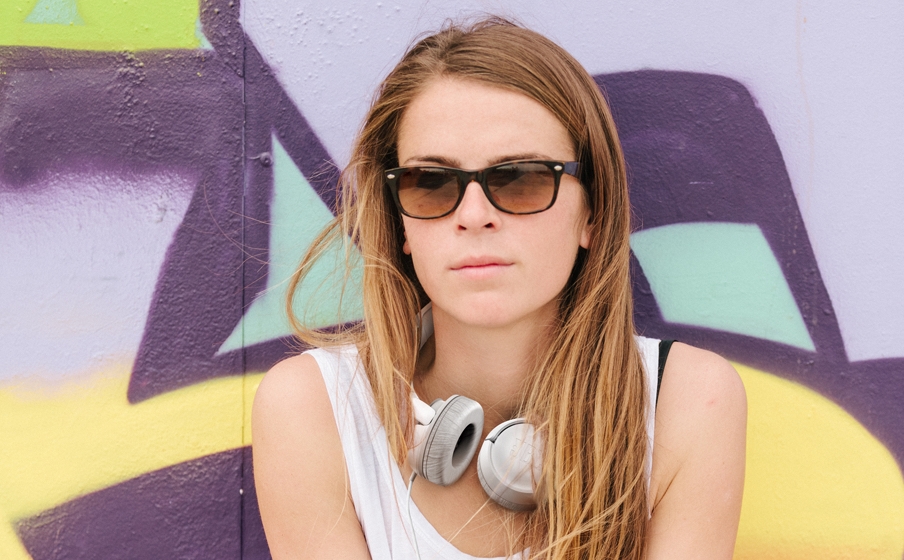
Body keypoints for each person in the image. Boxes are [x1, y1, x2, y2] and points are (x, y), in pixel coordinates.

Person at [252, 17, 746, 560]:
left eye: (521, 177)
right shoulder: (315, 409)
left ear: (593, 212)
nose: (473, 215)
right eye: (430, 183)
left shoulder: (685, 402)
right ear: (401, 224)